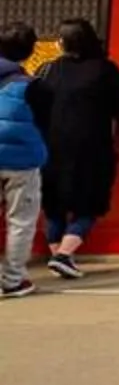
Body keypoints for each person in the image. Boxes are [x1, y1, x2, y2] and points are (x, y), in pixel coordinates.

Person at [30, 17, 119, 277]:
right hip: (92, 147)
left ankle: (58, 256)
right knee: (89, 203)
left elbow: (35, 103)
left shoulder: (48, 70)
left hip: (50, 146)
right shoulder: (104, 70)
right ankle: (64, 255)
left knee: (53, 204)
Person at [0, 22, 46, 299]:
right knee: (21, 220)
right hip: (22, 162)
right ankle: (13, 280)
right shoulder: (31, 86)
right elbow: (46, 120)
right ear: (30, 51)